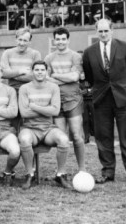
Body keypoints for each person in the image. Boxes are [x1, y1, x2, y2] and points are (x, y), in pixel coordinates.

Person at [82, 19, 126, 185]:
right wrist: (97, 92)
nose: (103, 34)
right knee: (103, 137)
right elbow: (89, 77)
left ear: (112, 30)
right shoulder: (89, 52)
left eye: (106, 31)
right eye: (100, 31)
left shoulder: (125, 47)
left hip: (124, 99)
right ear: (96, 32)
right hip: (101, 100)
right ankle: (108, 172)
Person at [18, 61, 72, 189]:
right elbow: (24, 113)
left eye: (42, 70)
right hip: (30, 128)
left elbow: (55, 111)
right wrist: (46, 109)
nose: (40, 72)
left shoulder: (54, 87)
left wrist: (34, 106)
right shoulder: (24, 88)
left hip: (48, 128)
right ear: (32, 72)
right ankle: (29, 174)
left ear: (46, 72)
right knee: (24, 139)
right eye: (37, 70)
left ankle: (60, 174)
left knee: (64, 139)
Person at [44, 27, 85, 172]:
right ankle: (61, 172)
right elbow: (45, 79)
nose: (60, 42)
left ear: (68, 40)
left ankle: (82, 169)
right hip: (56, 100)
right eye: (57, 39)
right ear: (54, 40)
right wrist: (64, 78)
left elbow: (75, 77)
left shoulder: (75, 56)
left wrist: (55, 76)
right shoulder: (48, 58)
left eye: (63, 39)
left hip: (73, 98)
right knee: (62, 138)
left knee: (76, 135)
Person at [0, 27, 41, 132]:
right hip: (12, 92)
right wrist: (21, 71)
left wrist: (12, 73)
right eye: (20, 39)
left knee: (29, 122)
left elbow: (36, 75)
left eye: (25, 40)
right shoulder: (7, 53)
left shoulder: (35, 54)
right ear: (16, 39)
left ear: (30, 42)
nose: (22, 43)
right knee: (14, 121)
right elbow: (3, 73)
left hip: (30, 92)